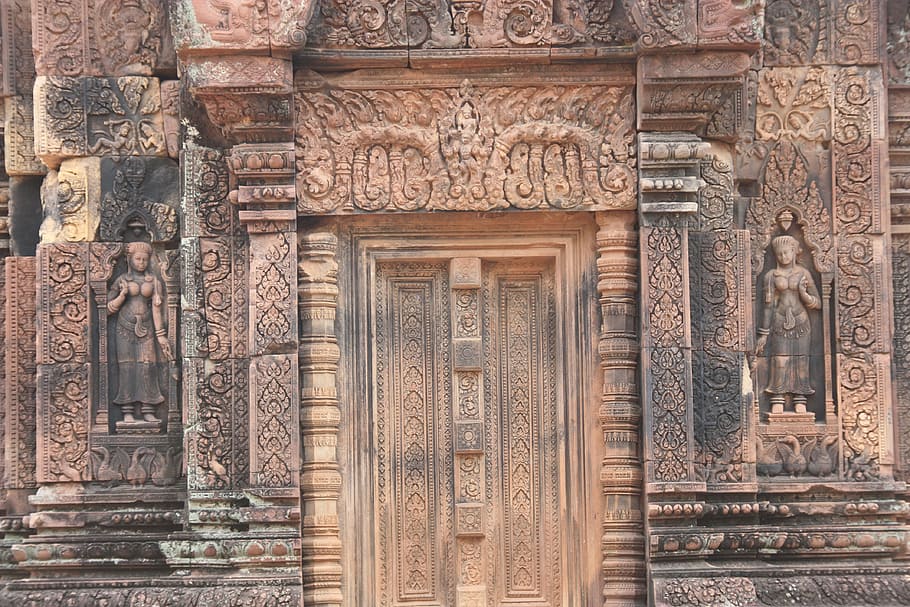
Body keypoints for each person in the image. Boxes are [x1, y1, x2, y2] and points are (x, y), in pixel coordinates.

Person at [755, 235, 820, 414]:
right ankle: (778, 398)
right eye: (779, 254)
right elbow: (767, 307)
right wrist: (764, 333)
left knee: (801, 361)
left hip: (801, 321)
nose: (783, 257)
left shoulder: (803, 273)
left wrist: (803, 293)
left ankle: (800, 398)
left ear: (794, 252)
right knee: (780, 360)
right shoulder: (771, 276)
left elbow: (818, 303)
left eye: (786, 253)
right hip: (779, 321)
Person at [107, 242, 170, 424]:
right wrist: (121, 296)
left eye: (145, 259)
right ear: (130, 259)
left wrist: (161, 335)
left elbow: (157, 310)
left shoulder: (154, 282)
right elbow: (107, 309)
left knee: (147, 367)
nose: (141, 262)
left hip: (148, 328)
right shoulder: (121, 281)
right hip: (125, 328)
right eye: (138, 259)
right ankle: (127, 409)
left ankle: (148, 408)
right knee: (126, 367)